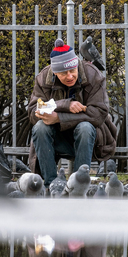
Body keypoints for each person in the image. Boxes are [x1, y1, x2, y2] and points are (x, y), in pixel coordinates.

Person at [28, 38, 117, 188]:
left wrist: (59, 118)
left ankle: (78, 186)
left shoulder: (92, 75)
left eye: (72, 70)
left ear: (77, 65)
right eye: (63, 73)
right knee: (40, 128)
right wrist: (65, 105)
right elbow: (32, 112)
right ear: (54, 72)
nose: (69, 76)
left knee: (85, 127)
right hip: (57, 139)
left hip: (90, 140)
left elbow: (99, 113)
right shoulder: (44, 78)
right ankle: (51, 185)